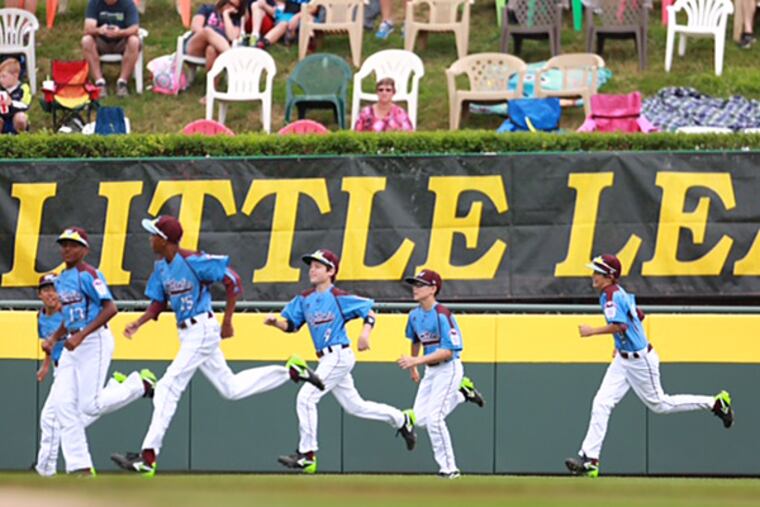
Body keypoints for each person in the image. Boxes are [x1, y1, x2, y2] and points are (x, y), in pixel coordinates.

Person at [111, 215, 324, 477]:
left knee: (168, 386)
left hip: (202, 328)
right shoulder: (161, 268)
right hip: (187, 333)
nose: (149, 238)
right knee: (230, 388)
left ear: (165, 240)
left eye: (154, 234)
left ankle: (148, 457)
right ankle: (291, 372)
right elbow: (158, 302)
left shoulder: (193, 261)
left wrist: (228, 320)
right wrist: (139, 322)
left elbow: (232, 280)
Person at [565, 254, 735, 478]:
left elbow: (622, 325)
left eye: (597, 271)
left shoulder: (611, 295)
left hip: (640, 361)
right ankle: (590, 460)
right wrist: (619, 345)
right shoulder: (617, 293)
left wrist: (592, 331)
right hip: (624, 359)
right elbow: (638, 316)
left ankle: (716, 403)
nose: (593, 275)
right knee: (601, 403)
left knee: (661, 404)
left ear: (608, 276)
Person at [265, 248, 417, 474]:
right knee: (355, 406)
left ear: (331, 271)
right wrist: (276, 323)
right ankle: (402, 419)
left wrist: (365, 333)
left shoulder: (339, 297)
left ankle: (307, 455)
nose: (312, 269)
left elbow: (370, 311)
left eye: (318, 266)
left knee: (306, 397)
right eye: (311, 265)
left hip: (338, 355)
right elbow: (292, 325)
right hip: (327, 358)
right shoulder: (304, 299)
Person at [42, 227, 154, 475]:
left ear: (84, 249)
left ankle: (139, 384)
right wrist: (55, 337)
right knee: (61, 405)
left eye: (72, 244)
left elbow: (111, 308)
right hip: (73, 342)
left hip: (94, 340)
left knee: (90, 405)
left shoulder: (88, 274)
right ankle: (80, 466)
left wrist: (82, 335)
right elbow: (71, 315)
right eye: (64, 244)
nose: (67, 249)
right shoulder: (62, 278)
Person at [397, 269, 485, 479]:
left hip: (449, 367)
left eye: (420, 285)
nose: (415, 288)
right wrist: (414, 367)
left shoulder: (443, 314)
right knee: (419, 419)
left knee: (435, 419)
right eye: (414, 284)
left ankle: (449, 469)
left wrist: (416, 361)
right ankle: (462, 394)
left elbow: (449, 350)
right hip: (430, 370)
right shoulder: (414, 315)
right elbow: (416, 340)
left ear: (433, 289)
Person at [81, 0, 141, 97]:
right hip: (102, 41)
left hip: (121, 41)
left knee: (134, 41)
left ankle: (122, 82)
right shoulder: (94, 3)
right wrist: (100, 30)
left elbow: (134, 28)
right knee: (86, 40)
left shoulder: (128, 3)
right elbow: (88, 28)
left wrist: (120, 32)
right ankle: (99, 82)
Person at [185, 0, 244, 76]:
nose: (230, 7)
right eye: (229, 2)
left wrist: (226, 15)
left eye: (234, 6)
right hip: (196, 46)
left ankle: (211, 86)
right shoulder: (207, 8)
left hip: (218, 51)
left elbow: (232, 37)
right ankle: (234, 59)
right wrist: (210, 38)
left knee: (211, 49)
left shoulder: (234, 19)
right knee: (208, 31)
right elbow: (195, 26)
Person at [0, 58, 30, 134]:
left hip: (16, 118)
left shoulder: (23, 88)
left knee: (20, 117)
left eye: (4, 76)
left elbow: (25, 105)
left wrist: (11, 103)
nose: (1, 80)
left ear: (15, 75)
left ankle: (21, 138)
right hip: (4, 118)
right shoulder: (2, 90)